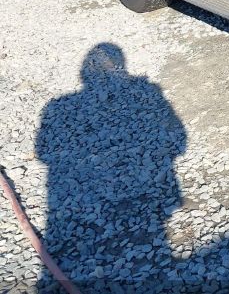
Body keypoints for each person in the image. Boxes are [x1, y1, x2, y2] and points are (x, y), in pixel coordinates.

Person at [35, 43, 186, 290]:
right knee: (156, 247)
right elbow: (179, 142)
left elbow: (43, 152)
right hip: (150, 201)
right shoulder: (147, 91)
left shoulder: (58, 106)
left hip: (72, 203)